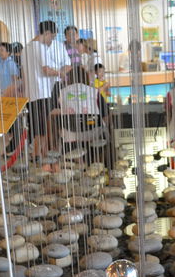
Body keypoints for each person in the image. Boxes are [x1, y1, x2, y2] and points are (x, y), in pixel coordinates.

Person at [22, 20, 70, 159]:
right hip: (42, 92)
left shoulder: (26, 48)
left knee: (36, 126)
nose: (51, 41)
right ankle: (39, 155)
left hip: (30, 93)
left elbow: (24, 73)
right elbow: (46, 70)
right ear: (47, 33)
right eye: (52, 37)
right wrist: (60, 73)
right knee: (42, 126)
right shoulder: (40, 47)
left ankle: (38, 154)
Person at [52, 65, 112, 168]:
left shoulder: (62, 93)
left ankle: (77, 164)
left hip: (70, 134)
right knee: (103, 131)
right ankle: (98, 164)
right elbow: (106, 115)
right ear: (86, 78)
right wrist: (106, 127)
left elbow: (52, 113)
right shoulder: (94, 92)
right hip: (93, 133)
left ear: (69, 78)